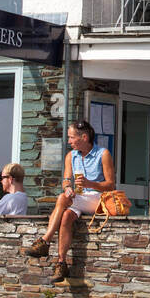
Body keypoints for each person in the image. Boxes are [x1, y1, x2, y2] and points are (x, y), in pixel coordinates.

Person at [23, 120, 117, 284]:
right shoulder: (71, 156)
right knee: (66, 215)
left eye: (72, 137)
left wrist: (90, 184)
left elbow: (111, 185)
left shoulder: (103, 154)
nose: (69, 141)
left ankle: (45, 240)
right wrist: (68, 188)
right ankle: (61, 263)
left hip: (97, 199)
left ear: (84, 137)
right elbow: (66, 180)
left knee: (62, 199)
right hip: (79, 199)